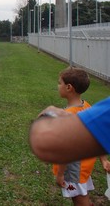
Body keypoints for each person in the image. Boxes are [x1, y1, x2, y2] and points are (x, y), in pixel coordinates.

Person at [45, 67, 110, 205]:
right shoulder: (87, 106)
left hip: (73, 171)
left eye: (59, 83)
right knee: (83, 196)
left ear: (69, 87)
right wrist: (103, 160)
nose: (58, 86)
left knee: (79, 200)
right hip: (85, 166)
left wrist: (61, 174)